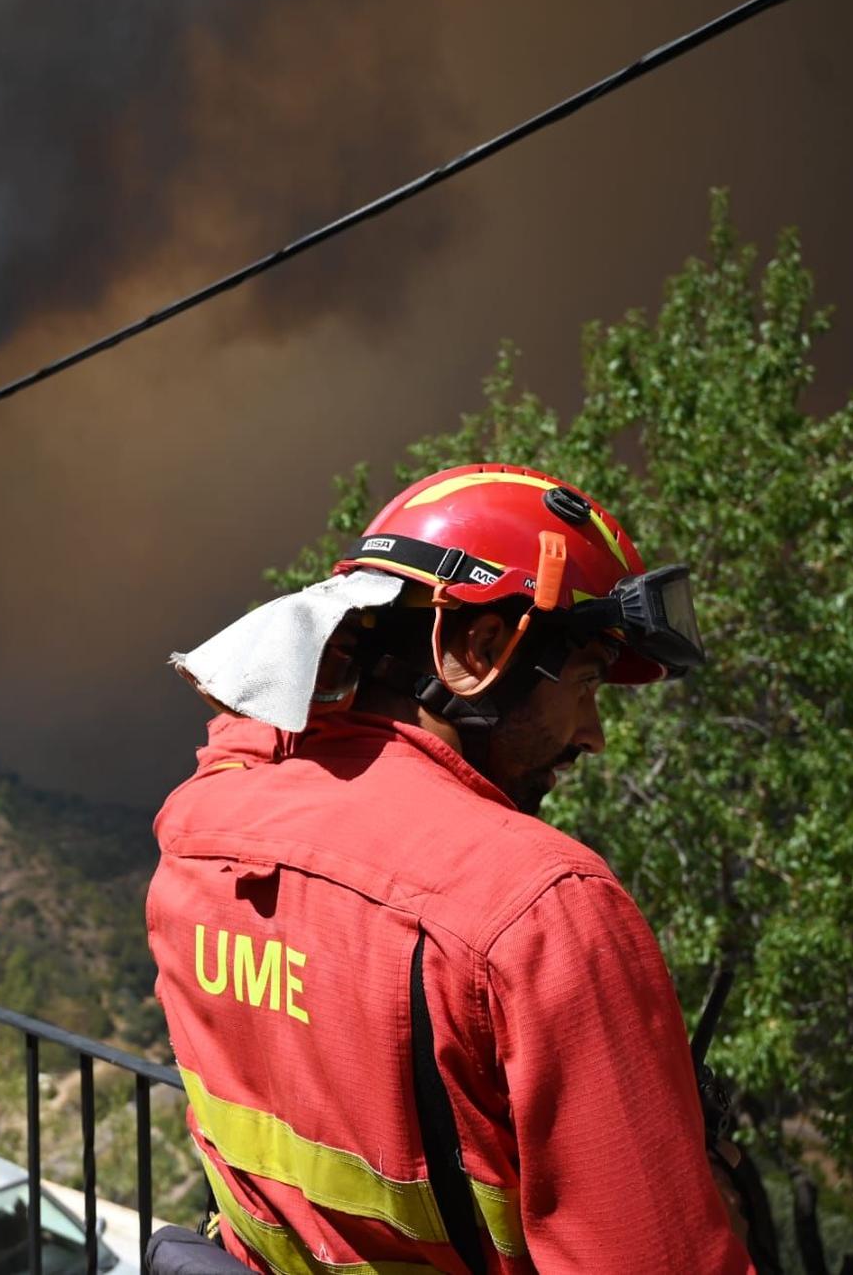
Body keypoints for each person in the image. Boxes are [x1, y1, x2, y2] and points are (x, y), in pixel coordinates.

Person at [147, 463, 758, 1274]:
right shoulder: (544, 909)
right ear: (481, 649)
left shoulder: (203, 826)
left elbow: (248, 736)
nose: (594, 733)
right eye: (584, 685)